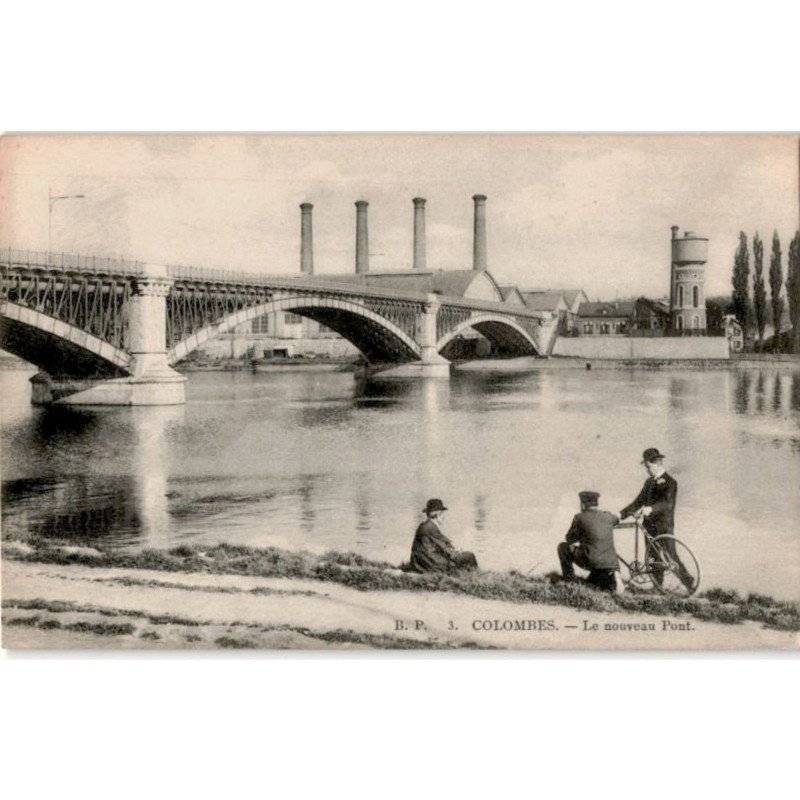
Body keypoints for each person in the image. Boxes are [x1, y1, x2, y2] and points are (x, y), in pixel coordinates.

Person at [619, 447, 694, 590]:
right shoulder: (649, 483)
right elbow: (637, 502)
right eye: (646, 467)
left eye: (648, 467)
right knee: (652, 557)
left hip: (664, 526)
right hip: (649, 526)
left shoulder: (670, 482)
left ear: (657, 463)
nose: (647, 470)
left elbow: (667, 504)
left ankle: (689, 583)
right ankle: (657, 586)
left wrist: (650, 508)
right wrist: (620, 515)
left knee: (671, 557)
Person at [557, 491, 620, 591]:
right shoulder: (608, 517)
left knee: (563, 547)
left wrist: (582, 534)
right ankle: (611, 577)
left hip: (591, 561)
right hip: (610, 564)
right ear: (596, 504)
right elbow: (617, 518)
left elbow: (569, 539)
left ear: (583, 504)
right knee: (592, 583)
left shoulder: (579, 517)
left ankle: (569, 580)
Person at [409, 498, 479, 573]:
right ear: (437, 515)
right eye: (442, 514)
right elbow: (444, 548)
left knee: (459, 558)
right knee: (470, 556)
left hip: (420, 561)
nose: (444, 517)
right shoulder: (430, 527)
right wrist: (456, 553)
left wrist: (453, 549)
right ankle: (476, 575)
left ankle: (469, 573)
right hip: (430, 563)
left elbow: (438, 544)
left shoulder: (425, 525)